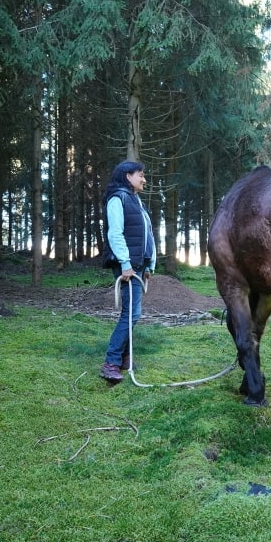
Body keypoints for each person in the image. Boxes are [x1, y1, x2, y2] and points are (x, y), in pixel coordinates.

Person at [100, 160, 157, 383]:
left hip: (138, 266)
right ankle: (111, 362)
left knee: (132, 313)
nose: (144, 179)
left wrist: (150, 264)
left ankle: (124, 357)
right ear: (127, 176)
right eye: (140, 175)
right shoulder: (118, 199)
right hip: (127, 266)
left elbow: (148, 234)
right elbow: (115, 233)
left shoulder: (136, 200)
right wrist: (125, 263)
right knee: (131, 314)